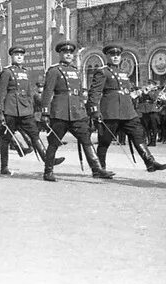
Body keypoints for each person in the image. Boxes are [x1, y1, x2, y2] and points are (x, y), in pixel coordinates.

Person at [87, 44, 166, 173]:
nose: (115, 57)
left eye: (117, 55)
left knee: (138, 135)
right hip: (110, 111)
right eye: (112, 55)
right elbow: (95, 92)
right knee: (105, 141)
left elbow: (127, 91)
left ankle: (150, 162)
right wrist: (95, 110)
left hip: (127, 111)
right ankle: (99, 169)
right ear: (107, 56)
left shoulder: (123, 73)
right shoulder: (102, 71)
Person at [40, 41, 115, 182]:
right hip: (60, 112)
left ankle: (97, 169)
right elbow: (47, 92)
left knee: (86, 140)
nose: (68, 55)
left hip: (77, 113)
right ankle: (48, 171)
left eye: (70, 52)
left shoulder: (75, 71)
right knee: (54, 142)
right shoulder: (54, 70)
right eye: (65, 52)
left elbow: (80, 94)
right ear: (60, 54)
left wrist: (85, 112)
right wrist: (45, 112)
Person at [0, 46, 62, 175]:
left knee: (34, 135)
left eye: (21, 55)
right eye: (16, 55)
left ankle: (48, 159)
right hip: (11, 109)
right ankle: (4, 166)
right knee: (6, 138)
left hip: (25, 110)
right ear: (12, 56)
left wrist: (32, 107)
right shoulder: (7, 72)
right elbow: (1, 92)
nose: (19, 57)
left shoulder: (26, 72)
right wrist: (0, 111)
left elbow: (28, 92)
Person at [137, 79, 160, 146]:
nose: (149, 85)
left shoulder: (156, 91)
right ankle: (149, 140)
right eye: (148, 84)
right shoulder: (146, 91)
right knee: (147, 127)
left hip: (153, 111)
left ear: (154, 85)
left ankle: (153, 141)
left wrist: (149, 92)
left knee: (154, 127)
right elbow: (141, 100)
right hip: (146, 111)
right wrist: (142, 94)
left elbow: (154, 98)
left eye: (150, 84)